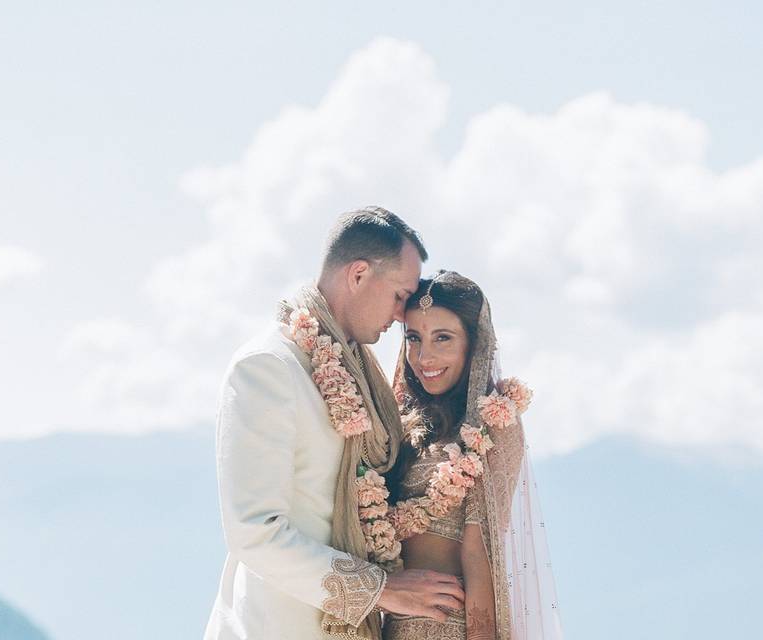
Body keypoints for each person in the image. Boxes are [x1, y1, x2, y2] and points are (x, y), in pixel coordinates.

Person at [204, 208, 465, 640]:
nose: (403, 314)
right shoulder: (268, 367)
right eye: (400, 294)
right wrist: (380, 590)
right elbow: (253, 532)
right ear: (359, 274)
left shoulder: (364, 375)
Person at [383, 271, 562, 640]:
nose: (424, 356)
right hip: (388, 622)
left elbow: (481, 554)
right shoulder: (395, 423)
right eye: (414, 338)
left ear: (474, 344)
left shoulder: (494, 421)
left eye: (443, 338)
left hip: (452, 627)